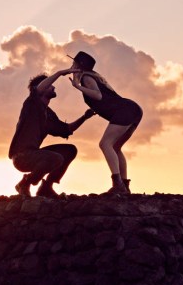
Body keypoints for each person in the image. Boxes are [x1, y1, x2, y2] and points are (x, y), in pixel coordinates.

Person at [9, 68, 95, 198]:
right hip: (21, 157)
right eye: (49, 85)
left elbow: (67, 129)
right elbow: (37, 90)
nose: (53, 87)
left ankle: (46, 187)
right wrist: (60, 73)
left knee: (69, 150)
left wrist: (84, 117)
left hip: (35, 154)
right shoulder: (31, 104)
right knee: (55, 158)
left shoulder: (48, 114)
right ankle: (25, 183)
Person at [69, 50, 143, 195]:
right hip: (133, 109)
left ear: (79, 66)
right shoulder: (92, 76)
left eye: (74, 62)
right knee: (115, 147)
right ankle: (124, 186)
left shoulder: (86, 78)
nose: (71, 64)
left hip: (126, 110)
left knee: (105, 144)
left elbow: (98, 95)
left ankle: (118, 185)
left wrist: (77, 86)